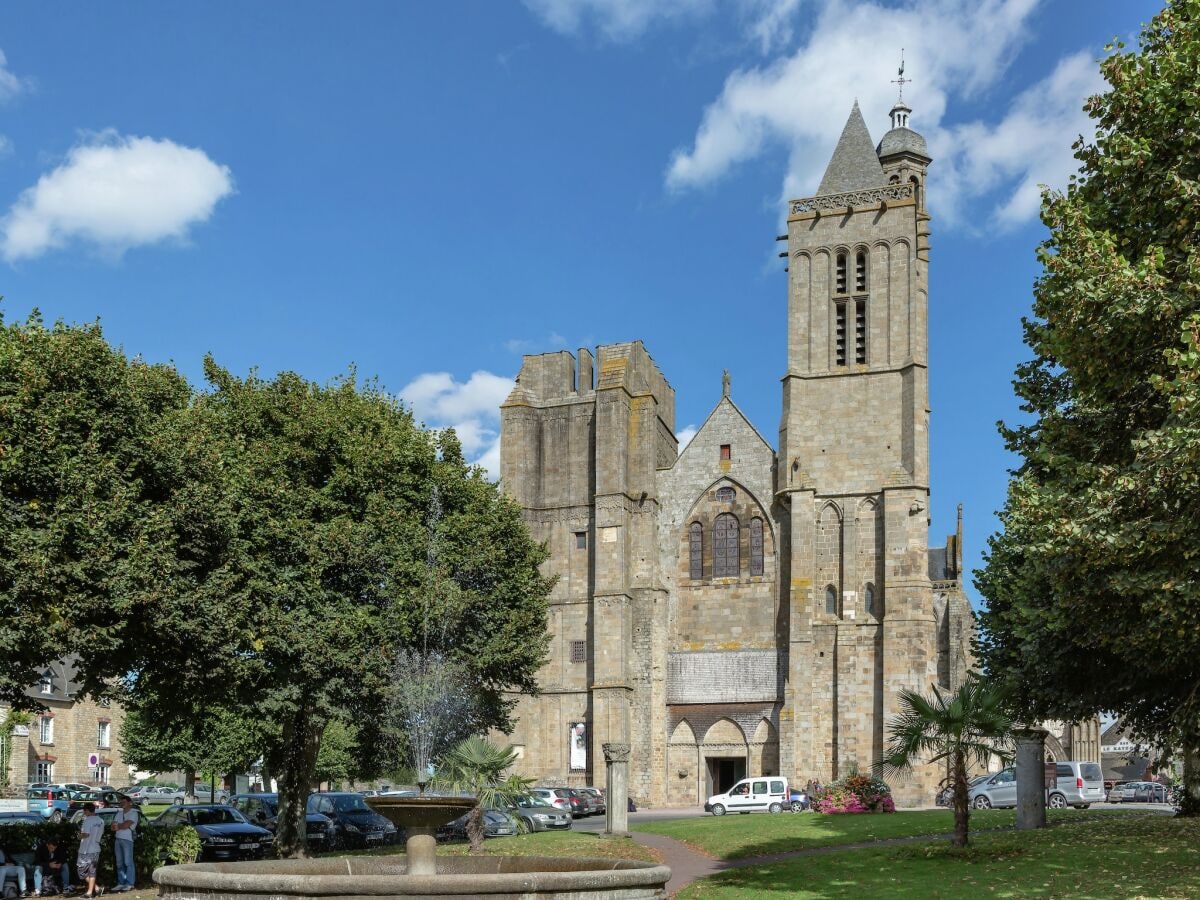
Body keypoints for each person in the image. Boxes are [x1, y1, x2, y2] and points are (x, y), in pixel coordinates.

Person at [111, 795, 139, 892]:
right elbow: (112, 827)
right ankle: (121, 883)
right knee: (119, 863)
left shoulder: (134, 813)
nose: (122, 804)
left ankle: (129, 883)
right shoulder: (119, 813)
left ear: (129, 803)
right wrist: (120, 826)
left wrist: (118, 826)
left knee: (128, 862)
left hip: (127, 840)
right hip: (118, 839)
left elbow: (126, 825)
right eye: (121, 802)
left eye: (124, 802)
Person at [77, 802, 104, 899]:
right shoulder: (101, 821)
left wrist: (78, 836)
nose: (84, 813)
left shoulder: (87, 820)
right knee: (92, 871)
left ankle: (89, 893)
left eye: (84, 811)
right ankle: (95, 889)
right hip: (96, 848)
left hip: (86, 850)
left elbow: (86, 834)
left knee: (81, 871)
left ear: (87, 811)